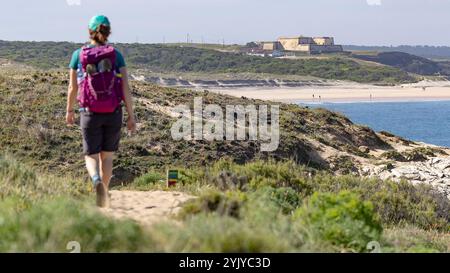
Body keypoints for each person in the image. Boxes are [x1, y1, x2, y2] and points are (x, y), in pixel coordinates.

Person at [66, 15, 136, 207]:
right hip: (113, 112)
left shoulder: (78, 55)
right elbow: (125, 88)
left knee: (91, 155)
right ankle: (104, 193)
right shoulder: (116, 55)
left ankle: (95, 179)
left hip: (89, 112)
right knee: (107, 156)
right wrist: (131, 115)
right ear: (108, 32)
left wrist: (69, 110)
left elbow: (73, 88)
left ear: (89, 31)